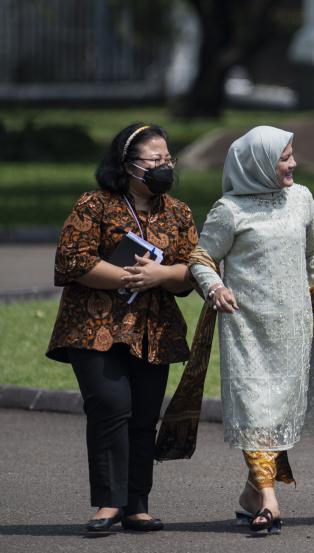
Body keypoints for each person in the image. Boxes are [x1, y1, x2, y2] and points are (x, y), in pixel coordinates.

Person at [188, 126, 314, 533]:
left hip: (292, 330)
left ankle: (251, 493)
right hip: (246, 330)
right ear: (257, 164)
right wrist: (216, 286)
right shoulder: (229, 209)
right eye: (284, 157)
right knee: (256, 411)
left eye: (292, 156)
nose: (293, 164)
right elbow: (202, 258)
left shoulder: (302, 199)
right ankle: (270, 502)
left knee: (279, 416)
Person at [46, 123, 198, 532]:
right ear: (127, 165)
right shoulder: (94, 205)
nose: (163, 167)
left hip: (154, 332)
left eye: (168, 159)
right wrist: (131, 277)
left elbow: (192, 271)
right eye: (154, 160)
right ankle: (107, 504)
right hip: (95, 327)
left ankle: (136, 504)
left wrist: (161, 276)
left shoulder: (178, 212)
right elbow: (73, 261)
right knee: (110, 407)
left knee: (145, 416)